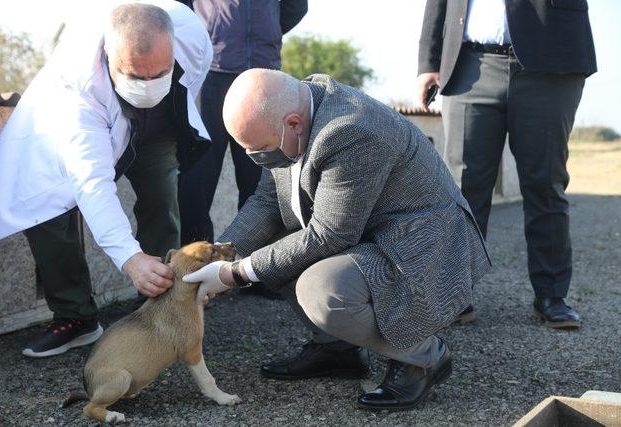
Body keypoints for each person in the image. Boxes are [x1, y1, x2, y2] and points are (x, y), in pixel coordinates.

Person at [186, 69, 491, 410]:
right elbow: (267, 203)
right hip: (371, 231)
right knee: (276, 249)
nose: (258, 159)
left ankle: (422, 356)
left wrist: (235, 274)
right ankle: (337, 349)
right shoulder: (290, 113)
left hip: (420, 244)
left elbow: (330, 234)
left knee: (322, 289)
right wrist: (219, 258)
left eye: (260, 151)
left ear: (293, 124)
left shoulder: (351, 129)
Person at [0, 1, 212, 357]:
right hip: (78, 130)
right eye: (136, 75)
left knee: (162, 198)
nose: (148, 85)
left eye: (159, 73)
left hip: (161, 124)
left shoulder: (193, 36)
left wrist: (162, 93)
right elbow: (93, 185)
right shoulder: (77, 90)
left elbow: (191, 82)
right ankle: (77, 318)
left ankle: (163, 309)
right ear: (108, 56)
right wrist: (131, 260)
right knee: (46, 212)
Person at [416, 0, 597, 329]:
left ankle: (552, 296)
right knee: (461, 188)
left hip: (551, 61)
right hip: (469, 64)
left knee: (545, 183)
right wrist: (429, 59)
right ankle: (454, 295)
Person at [177, 0, 308, 245]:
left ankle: (254, 272)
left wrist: (269, 30)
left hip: (263, 79)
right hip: (210, 73)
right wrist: (208, 36)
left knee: (261, 185)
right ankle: (195, 266)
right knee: (196, 179)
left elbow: (297, 6)